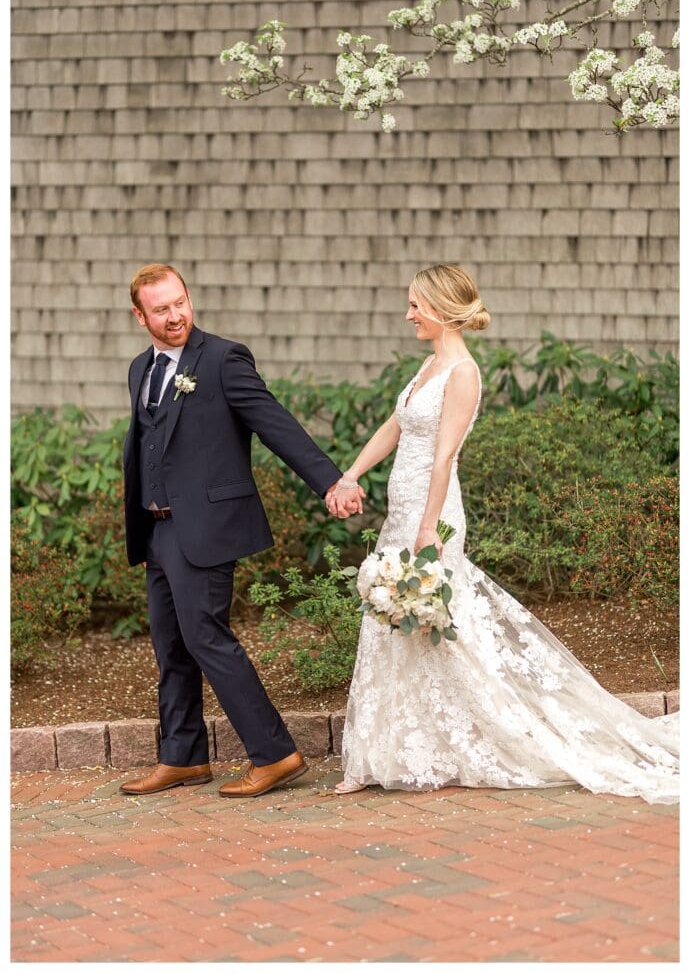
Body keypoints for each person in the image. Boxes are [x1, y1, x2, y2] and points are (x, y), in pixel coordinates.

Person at [327, 264, 679, 805]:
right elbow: (395, 426)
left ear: (441, 309)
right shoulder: (429, 364)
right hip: (400, 512)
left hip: (434, 514)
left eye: (415, 306)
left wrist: (428, 527)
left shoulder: (462, 372)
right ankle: (384, 753)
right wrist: (349, 473)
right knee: (392, 621)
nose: (408, 315)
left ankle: (471, 741)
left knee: (437, 621)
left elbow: (444, 456)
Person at [120, 263, 363, 798]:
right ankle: (182, 757)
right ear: (140, 316)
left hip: (206, 527)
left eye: (180, 301)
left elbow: (275, 423)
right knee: (171, 646)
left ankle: (276, 753)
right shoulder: (141, 369)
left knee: (207, 637)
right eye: (161, 309)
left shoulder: (223, 359)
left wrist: (330, 481)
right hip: (157, 529)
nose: (175, 314)